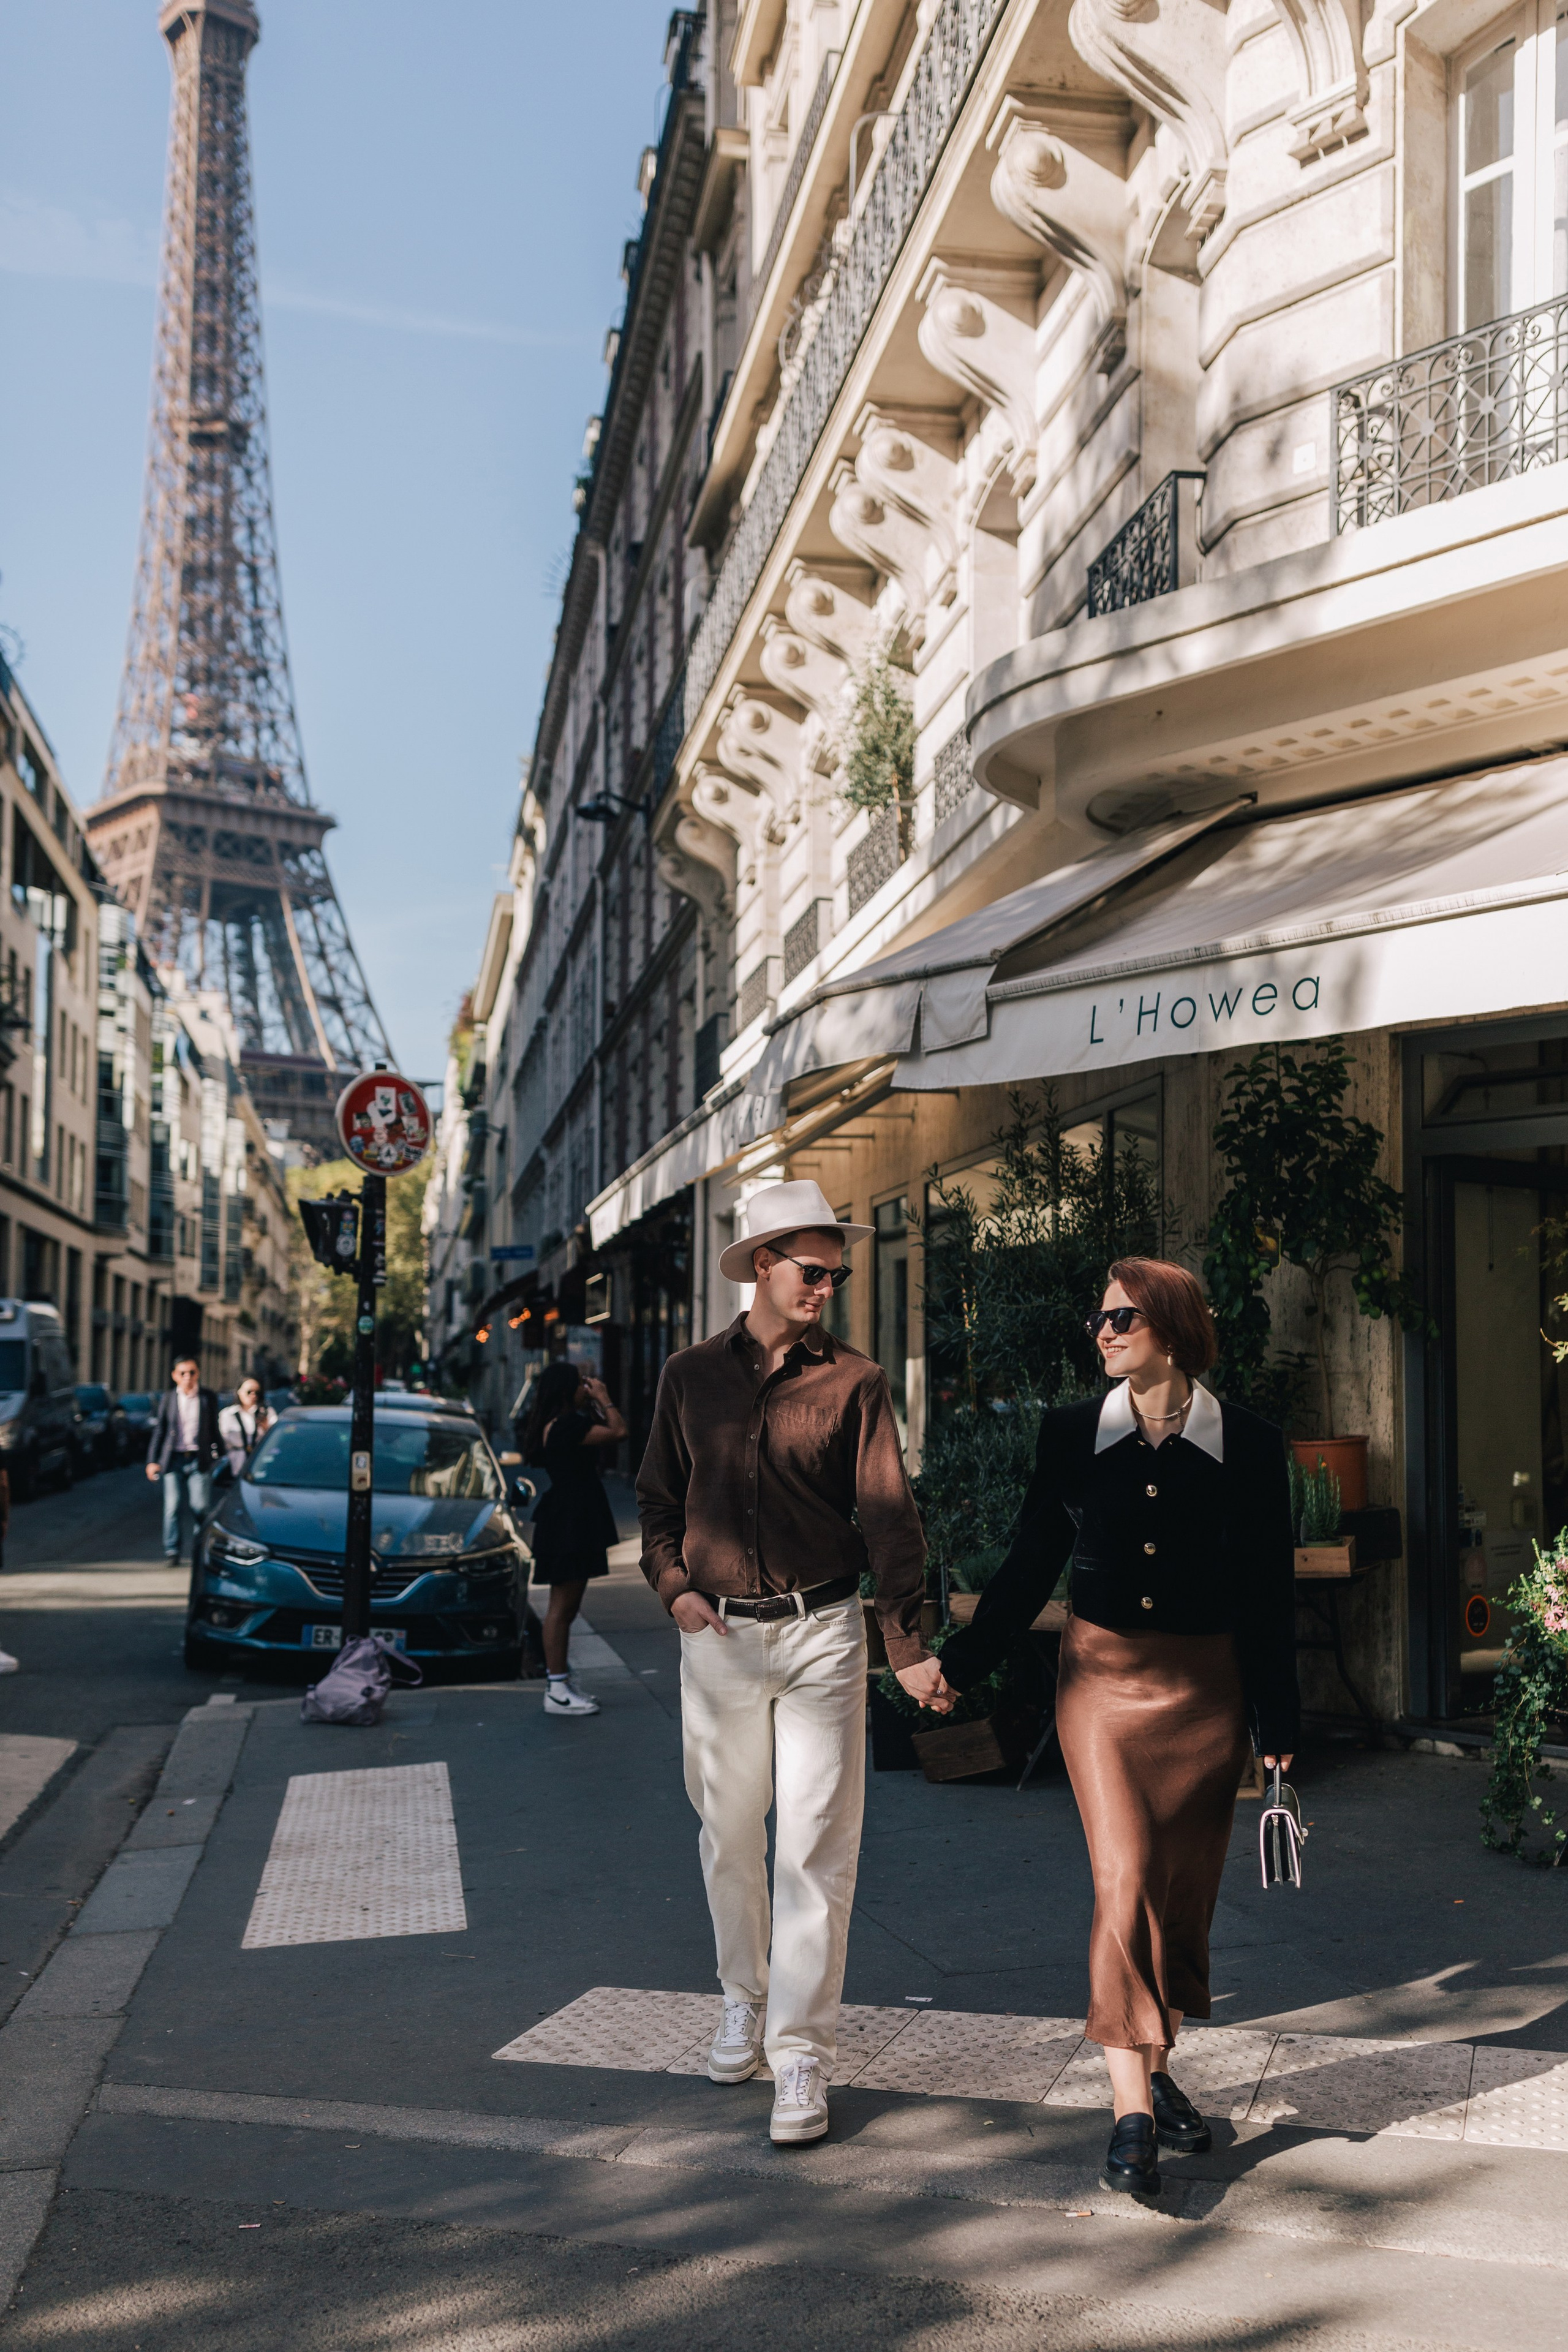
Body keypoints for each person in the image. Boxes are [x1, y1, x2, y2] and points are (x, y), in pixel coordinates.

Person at [913, 1256, 1298, 2199]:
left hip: (1205, 1694)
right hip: (1103, 1688)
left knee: (1178, 1895)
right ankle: (1131, 2110)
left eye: (1123, 1316)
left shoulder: (1247, 1443)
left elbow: (1267, 1593)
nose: (1103, 1330)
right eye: (1099, 1316)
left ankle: (1158, 2067)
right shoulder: (1071, 1434)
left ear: (1171, 1327)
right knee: (1123, 1877)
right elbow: (1029, 1562)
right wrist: (955, 1668)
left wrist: (1278, 1725)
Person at [637, 1178, 932, 2149]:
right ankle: (742, 2000)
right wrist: (677, 1590)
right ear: (763, 1264)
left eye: (838, 1274)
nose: (828, 1288)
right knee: (728, 1836)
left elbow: (889, 1516)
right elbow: (657, 1501)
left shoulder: (856, 1381)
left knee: (813, 1848)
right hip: (716, 1636)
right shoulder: (688, 1376)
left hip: (821, 1635)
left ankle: (801, 2053)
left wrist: (906, 1645)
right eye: (814, 1270)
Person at [522, 1361, 626, 1719]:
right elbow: (619, 1431)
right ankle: (556, 1688)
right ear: (568, 1389)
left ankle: (560, 1683)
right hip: (570, 1522)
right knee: (562, 1608)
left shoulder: (559, 1424)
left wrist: (594, 1401)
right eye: (583, 1383)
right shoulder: (568, 1426)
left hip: (568, 1518)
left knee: (565, 1608)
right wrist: (606, 1398)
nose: (589, 1386)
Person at [145, 1355, 223, 1567]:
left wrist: (222, 1455)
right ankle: (172, 1550)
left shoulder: (208, 1397)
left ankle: (200, 1549)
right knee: (173, 1506)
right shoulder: (169, 1398)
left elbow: (214, 1429)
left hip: (199, 1459)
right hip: (173, 1460)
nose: (188, 1377)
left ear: (198, 1374)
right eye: (183, 1373)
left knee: (200, 1506)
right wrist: (152, 1461)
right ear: (174, 1376)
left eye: (192, 1373)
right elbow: (160, 1430)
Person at [218, 1376, 275, 1480]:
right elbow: (224, 1439)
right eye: (249, 1392)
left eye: (257, 1392)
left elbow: (276, 1439)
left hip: (261, 1464)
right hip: (235, 1464)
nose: (253, 1395)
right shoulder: (228, 1414)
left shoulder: (267, 1413)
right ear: (239, 1392)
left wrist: (266, 1427)